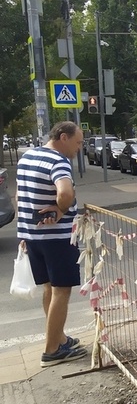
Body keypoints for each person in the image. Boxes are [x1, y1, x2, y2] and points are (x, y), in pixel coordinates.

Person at [16, 121, 88, 367]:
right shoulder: (58, 161)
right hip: (57, 237)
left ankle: (59, 338)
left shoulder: (28, 156)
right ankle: (52, 351)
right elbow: (66, 193)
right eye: (78, 142)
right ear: (63, 137)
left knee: (49, 288)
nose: (79, 148)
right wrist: (60, 208)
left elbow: (20, 194)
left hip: (31, 235)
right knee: (62, 291)